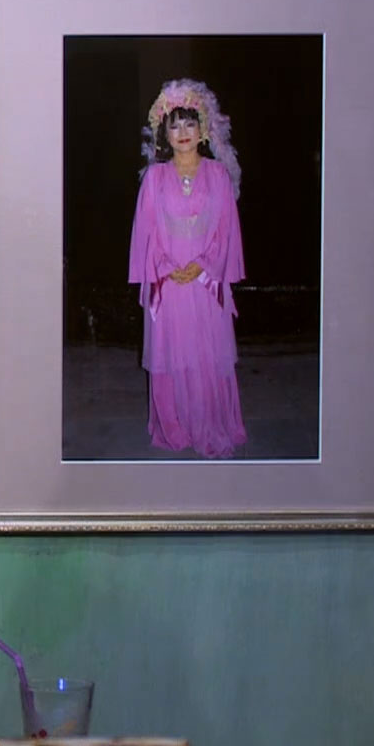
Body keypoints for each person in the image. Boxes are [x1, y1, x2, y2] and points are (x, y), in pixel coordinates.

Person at [127, 78, 247, 460]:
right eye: (174, 125)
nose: (182, 132)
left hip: (206, 281)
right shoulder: (154, 179)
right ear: (164, 132)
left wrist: (203, 265)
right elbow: (146, 234)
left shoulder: (218, 176)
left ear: (204, 129)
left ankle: (209, 422)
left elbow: (226, 231)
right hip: (168, 283)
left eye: (190, 123)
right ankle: (174, 425)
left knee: (207, 353)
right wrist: (165, 267)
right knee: (171, 354)